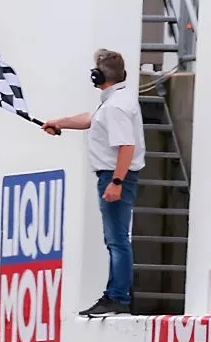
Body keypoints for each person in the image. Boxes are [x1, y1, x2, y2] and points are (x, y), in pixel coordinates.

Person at [40, 49, 145, 317]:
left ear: (97, 76)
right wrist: (59, 122)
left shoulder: (115, 107)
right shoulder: (113, 102)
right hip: (114, 175)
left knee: (117, 240)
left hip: (115, 175)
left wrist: (117, 181)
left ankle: (118, 298)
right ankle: (117, 294)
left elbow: (126, 146)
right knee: (115, 239)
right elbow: (91, 119)